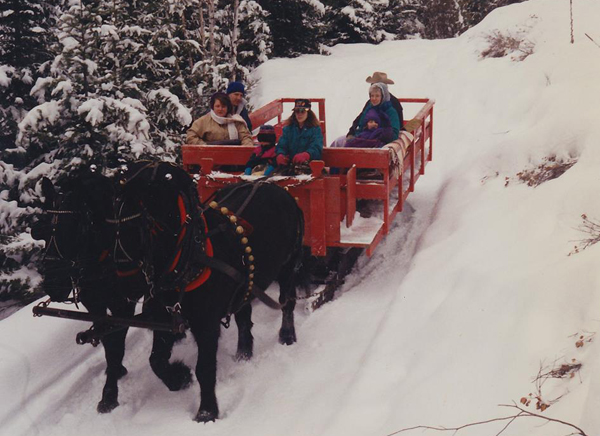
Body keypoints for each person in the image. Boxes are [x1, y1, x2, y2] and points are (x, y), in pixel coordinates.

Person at [272, 99, 323, 172]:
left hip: (309, 167)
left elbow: (317, 147)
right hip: (289, 166)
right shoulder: (288, 129)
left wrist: (307, 155)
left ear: (308, 113)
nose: (299, 114)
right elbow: (282, 145)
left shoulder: (315, 130)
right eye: (297, 111)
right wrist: (280, 155)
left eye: (302, 111)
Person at [186, 92, 253, 146]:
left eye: (223, 106)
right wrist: (204, 146)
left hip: (234, 158)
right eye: (217, 106)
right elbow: (191, 136)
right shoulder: (204, 121)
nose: (220, 109)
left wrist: (245, 149)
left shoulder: (236, 121)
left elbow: (246, 137)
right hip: (210, 158)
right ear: (213, 107)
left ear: (228, 108)